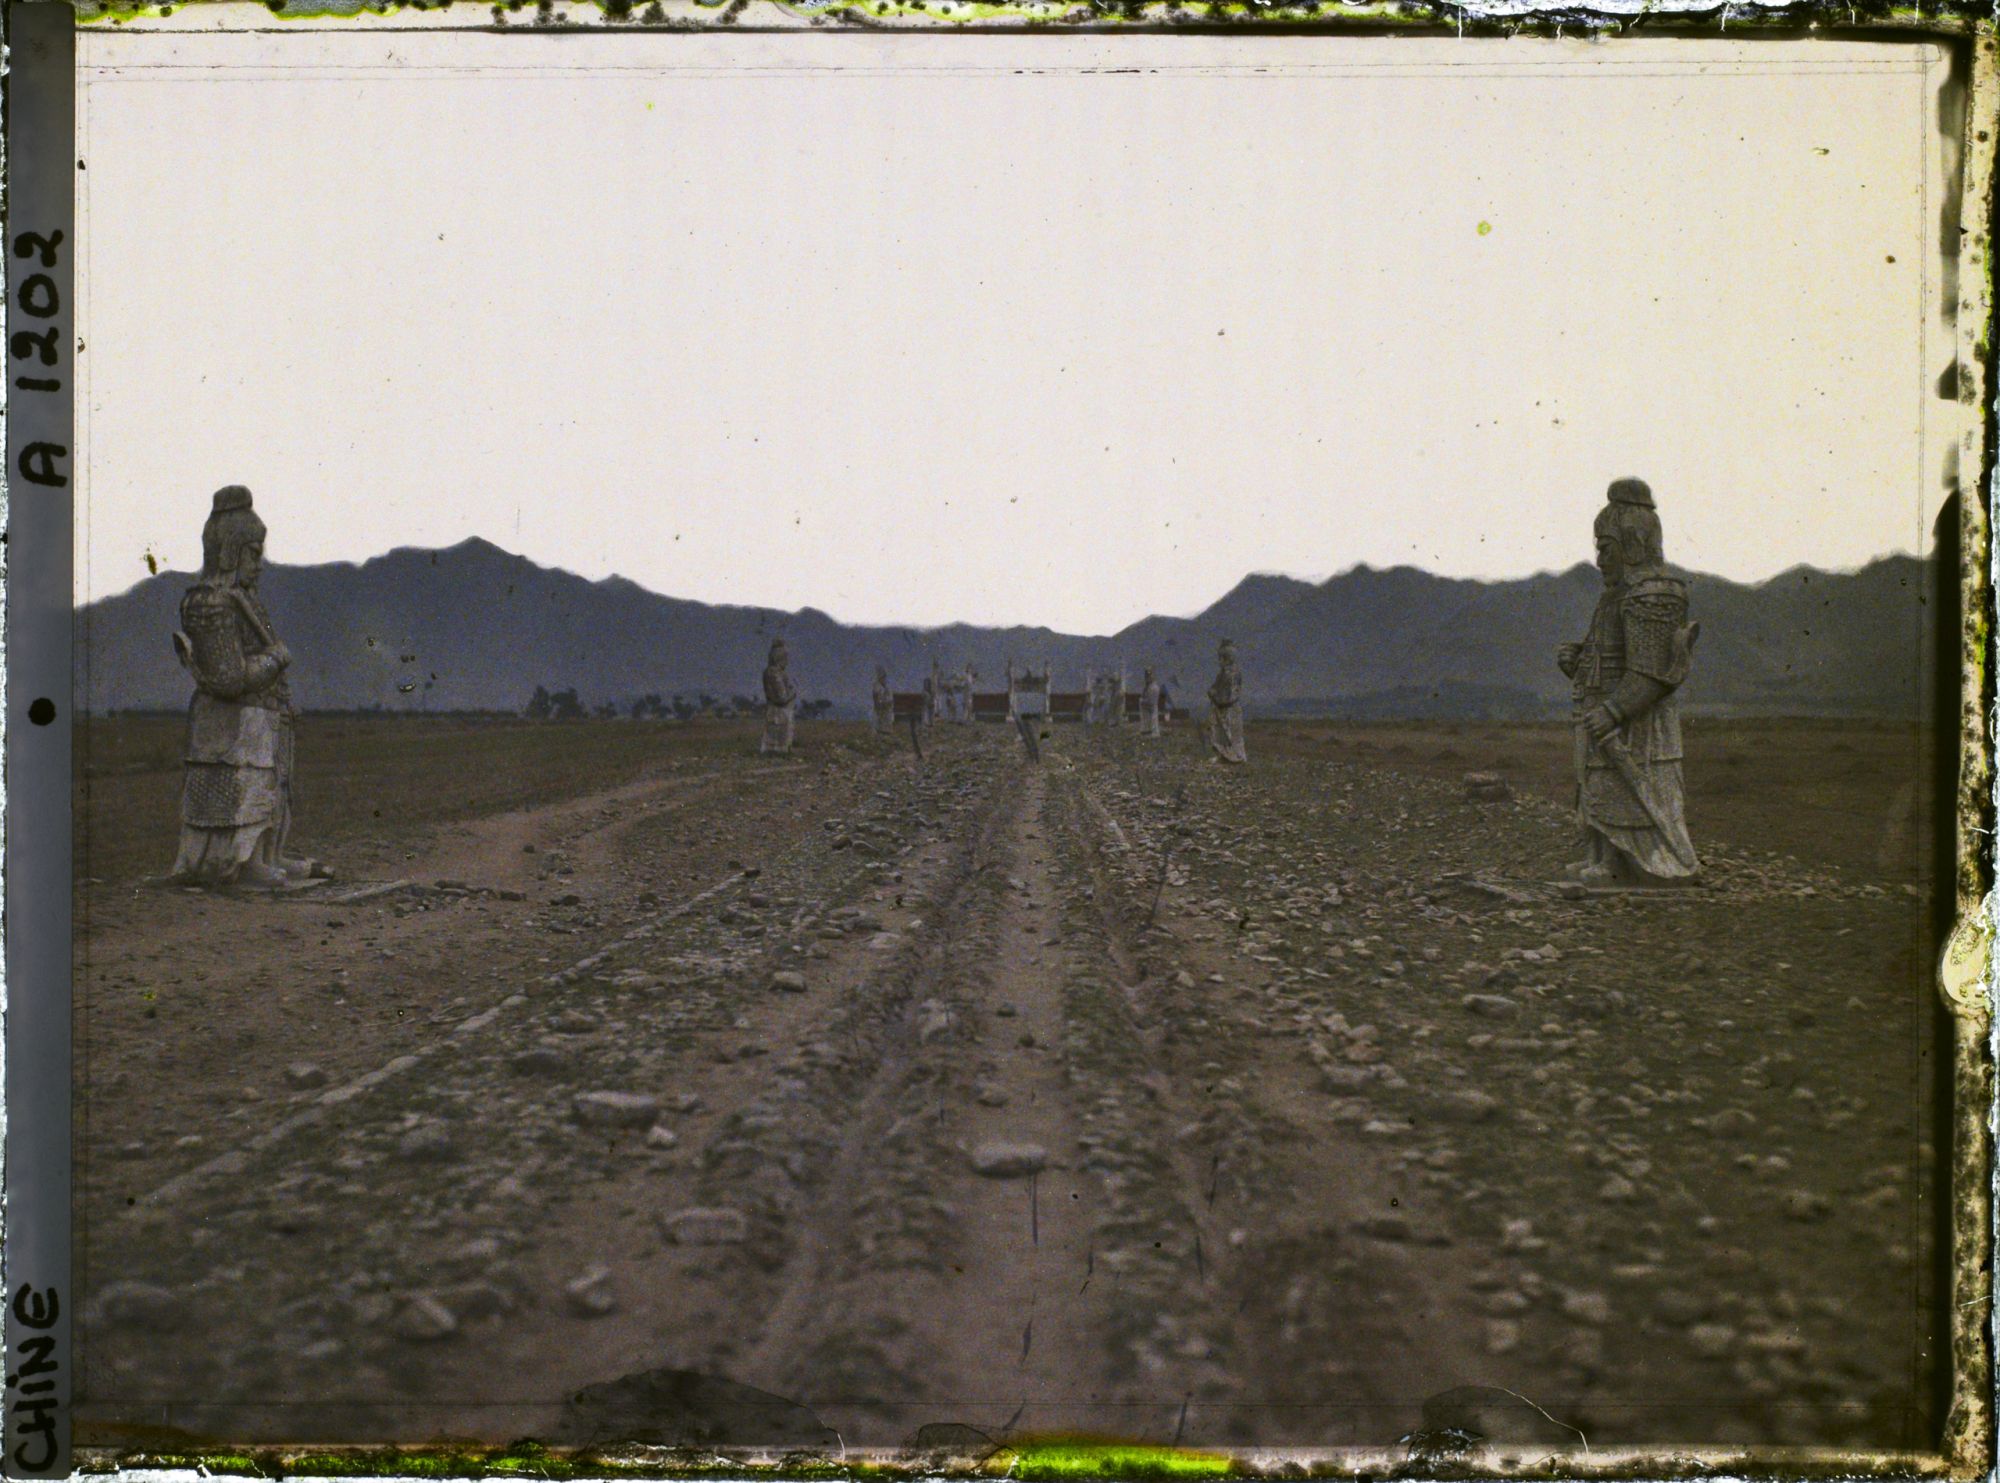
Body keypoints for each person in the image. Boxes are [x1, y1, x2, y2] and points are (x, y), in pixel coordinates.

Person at [169, 486, 323, 889]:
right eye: (254, 553)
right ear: (231, 552)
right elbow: (227, 678)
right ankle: (243, 862)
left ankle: (268, 855)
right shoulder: (210, 603)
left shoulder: (242, 598)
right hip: (233, 721)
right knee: (243, 793)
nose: (260, 563)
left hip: (260, 717)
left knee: (270, 791)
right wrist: (274, 660)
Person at [1557, 478, 1700, 887]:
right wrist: (1576, 662)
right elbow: (1606, 658)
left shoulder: (1653, 593)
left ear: (1632, 544)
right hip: (1605, 716)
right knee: (1598, 789)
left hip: (1637, 725)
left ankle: (1641, 862)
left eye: (1606, 548)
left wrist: (1615, 710)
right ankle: (1602, 858)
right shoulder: (1612, 598)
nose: (1599, 559)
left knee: (1626, 793)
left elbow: (1651, 672)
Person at [1207, 640, 1247, 764]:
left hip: (1229, 709)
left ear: (1227, 658)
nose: (1219, 661)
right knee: (1222, 733)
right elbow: (1215, 687)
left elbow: (1232, 694)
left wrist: (1218, 698)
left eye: (1221, 658)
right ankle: (1224, 755)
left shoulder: (1232, 674)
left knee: (1232, 734)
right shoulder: (1223, 674)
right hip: (1222, 709)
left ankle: (1235, 756)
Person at [761, 639, 798, 754]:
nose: (787, 661)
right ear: (779, 658)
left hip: (775, 711)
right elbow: (781, 698)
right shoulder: (775, 673)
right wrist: (793, 692)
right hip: (779, 713)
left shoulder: (769, 672)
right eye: (785, 658)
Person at [872, 664, 894, 734]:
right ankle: (882, 729)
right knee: (882, 716)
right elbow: (876, 697)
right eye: (883, 677)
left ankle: (886, 729)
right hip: (881, 706)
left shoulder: (885, 686)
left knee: (887, 715)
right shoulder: (877, 686)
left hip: (886, 705)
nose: (884, 679)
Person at [1142, 667, 1162, 737]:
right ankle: (1149, 731)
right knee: (1149, 717)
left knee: (1153, 717)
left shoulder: (1153, 687)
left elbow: (1151, 700)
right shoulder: (1149, 686)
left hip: (1151, 704)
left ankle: (1153, 732)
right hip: (1148, 705)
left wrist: (1144, 700)